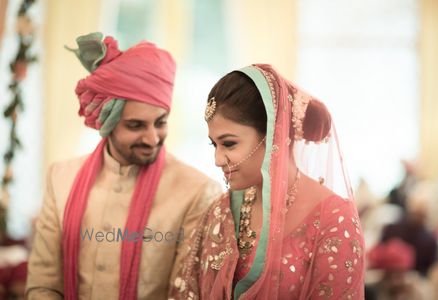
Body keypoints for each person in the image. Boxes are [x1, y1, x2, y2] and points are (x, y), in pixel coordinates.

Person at [25, 32, 221, 300]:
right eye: (135, 125)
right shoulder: (61, 178)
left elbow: (183, 293)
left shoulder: (197, 191)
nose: (152, 138)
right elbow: (43, 284)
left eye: (161, 122)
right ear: (107, 123)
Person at [170, 64, 365, 299]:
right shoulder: (222, 211)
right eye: (214, 144)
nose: (217, 159)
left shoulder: (334, 219)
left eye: (229, 143)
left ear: (274, 134)